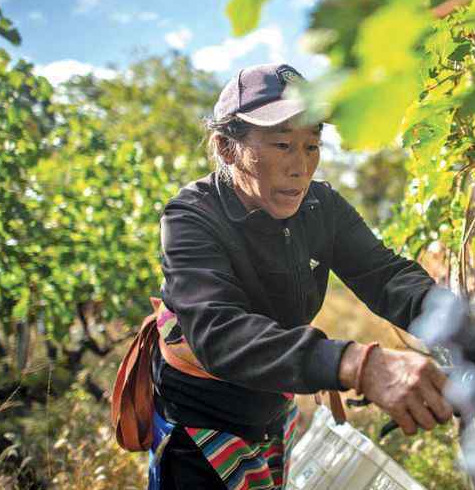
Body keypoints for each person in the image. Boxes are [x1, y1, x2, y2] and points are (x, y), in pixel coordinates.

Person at [149, 63, 454, 490]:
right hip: (202, 427)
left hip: (273, 403)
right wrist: (357, 364)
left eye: (312, 146)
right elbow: (220, 332)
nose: (301, 166)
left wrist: (459, 323)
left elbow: (384, 275)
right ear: (226, 147)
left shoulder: (320, 207)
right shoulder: (192, 218)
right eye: (282, 144)